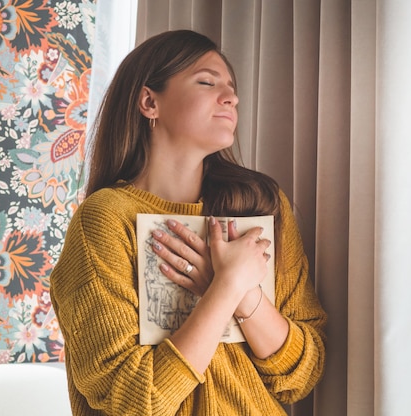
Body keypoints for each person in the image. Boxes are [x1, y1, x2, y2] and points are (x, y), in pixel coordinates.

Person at [50, 30, 327, 415]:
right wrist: (226, 286)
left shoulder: (261, 207)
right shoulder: (105, 220)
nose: (231, 97)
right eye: (207, 82)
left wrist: (249, 296)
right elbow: (135, 402)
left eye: (231, 87)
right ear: (150, 102)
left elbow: (301, 375)